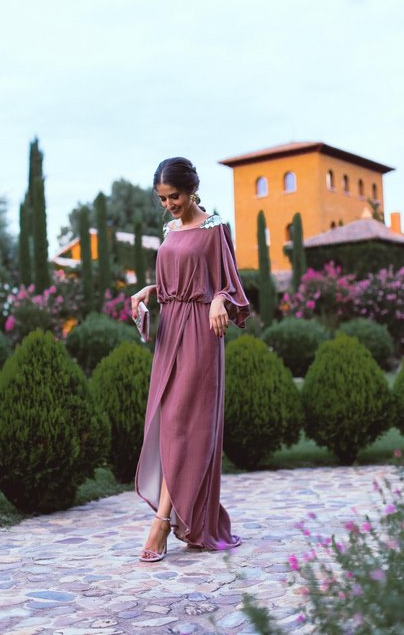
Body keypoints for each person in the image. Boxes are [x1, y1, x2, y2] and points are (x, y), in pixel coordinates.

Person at [131, 156, 250, 562]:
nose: (169, 205)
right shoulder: (169, 230)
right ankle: (179, 517)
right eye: (163, 198)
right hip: (171, 331)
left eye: (175, 196)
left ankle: (161, 525)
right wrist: (150, 291)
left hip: (201, 333)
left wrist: (219, 299)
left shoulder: (215, 229)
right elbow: (174, 282)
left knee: (185, 424)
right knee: (167, 421)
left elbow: (230, 284)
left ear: (191, 188)